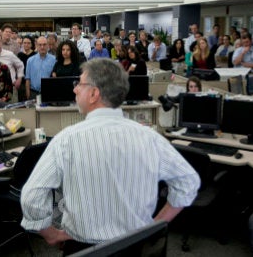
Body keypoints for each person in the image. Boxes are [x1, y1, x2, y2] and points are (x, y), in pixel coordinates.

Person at [20, 58, 200, 254]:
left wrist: (52, 235)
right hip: (138, 247)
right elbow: (188, 182)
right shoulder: (150, 138)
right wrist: (156, 225)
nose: (75, 89)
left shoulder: (67, 140)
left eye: (79, 84)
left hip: (84, 248)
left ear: (94, 93)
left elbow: (32, 197)